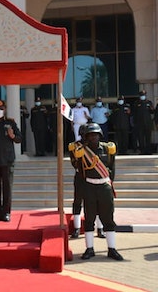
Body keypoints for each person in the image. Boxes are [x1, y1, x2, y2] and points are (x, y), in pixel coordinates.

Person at [69, 123, 123, 261]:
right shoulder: (81, 151)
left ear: (100, 135)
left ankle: (112, 249)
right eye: (90, 135)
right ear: (86, 137)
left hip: (104, 186)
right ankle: (89, 249)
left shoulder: (107, 148)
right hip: (89, 187)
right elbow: (79, 169)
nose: (93, 137)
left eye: (96, 135)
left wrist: (110, 183)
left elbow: (112, 167)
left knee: (108, 218)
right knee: (89, 218)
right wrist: (78, 157)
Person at [68, 124, 105, 239]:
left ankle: (100, 229)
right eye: (85, 134)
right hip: (80, 177)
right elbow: (75, 163)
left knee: (98, 204)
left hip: (94, 177)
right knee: (78, 202)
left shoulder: (99, 146)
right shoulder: (75, 146)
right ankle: (77, 228)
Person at [132, 90, 154, 154]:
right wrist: (135, 123)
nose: (142, 96)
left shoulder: (149, 102)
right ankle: (142, 151)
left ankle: (148, 150)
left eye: (143, 95)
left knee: (148, 138)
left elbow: (152, 112)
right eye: (141, 95)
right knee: (141, 138)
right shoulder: (137, 103)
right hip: (139, 124)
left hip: (147, 123)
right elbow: (134, 113)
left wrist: (151, 108)